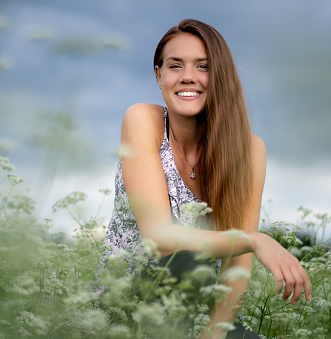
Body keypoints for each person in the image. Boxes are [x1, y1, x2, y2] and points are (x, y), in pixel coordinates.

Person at [98, 19, 312, 338]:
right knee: (184, 259)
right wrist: (253, 240)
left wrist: (213, 333)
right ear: (158, 75)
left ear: (220, 75)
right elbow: (159, 238)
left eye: (203, 66)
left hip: (193, 313)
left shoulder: (250, 151)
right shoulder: (144, 120)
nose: (188, 76)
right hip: (125, 307)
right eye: (175, 65)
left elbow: (236, 268)